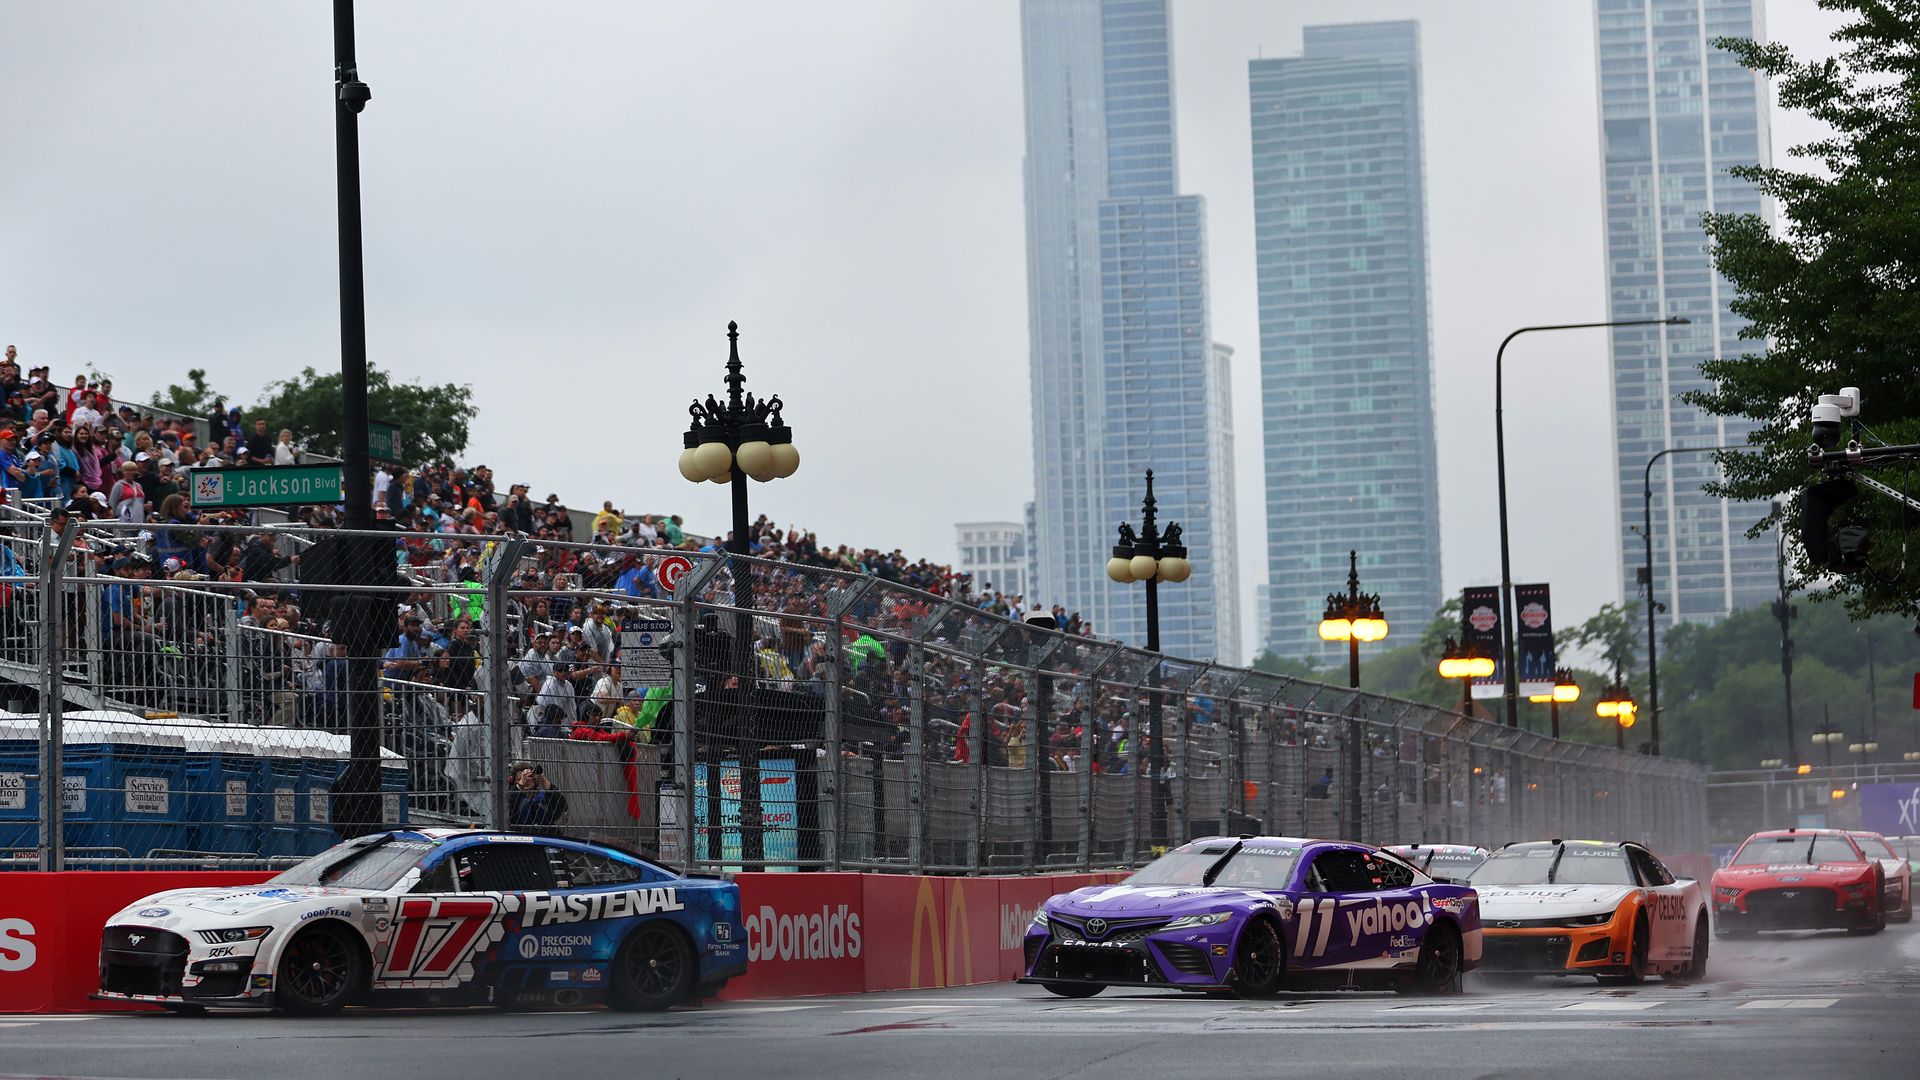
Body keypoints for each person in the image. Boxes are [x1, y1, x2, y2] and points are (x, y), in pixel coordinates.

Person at [507, 762, 567, 827]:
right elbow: (507, 811)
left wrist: (546, 783)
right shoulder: (512, 797)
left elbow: (563, 807)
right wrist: (520, 786)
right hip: (521, 834)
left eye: (529, 777)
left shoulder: (543, 796)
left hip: (546, 834)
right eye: (519, 779)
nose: (526, 781)